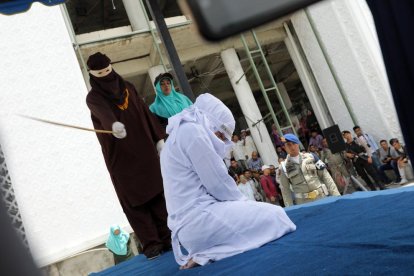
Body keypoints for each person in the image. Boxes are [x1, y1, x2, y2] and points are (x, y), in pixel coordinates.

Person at [160, 93, 296, 269]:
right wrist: (246, 204)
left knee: (262, 216)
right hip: (200, 221)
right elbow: (219, 185)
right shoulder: (193, 131)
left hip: (193, 227)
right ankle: (207, 252)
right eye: (221, 135)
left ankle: (207, 253)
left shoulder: (179, 134)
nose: (222, 142)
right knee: (277, 215)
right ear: (211, 123)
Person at [85, 52, 171, 259]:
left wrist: (158, 138)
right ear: (92, 75)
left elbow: (144, 112)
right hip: (121, 158)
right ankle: (151, 243)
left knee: (158, 193)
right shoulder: (94, 97)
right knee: (135, 201)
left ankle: (169, 236)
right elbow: (103, 112)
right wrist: (112, 125)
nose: (106, 76)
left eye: (108, 71)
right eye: (100, 74)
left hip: (145, 151)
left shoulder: (129, 87)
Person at [280, 134, 340, 207]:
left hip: (321, 198)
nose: (292, 147)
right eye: (289, 145)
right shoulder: (284, 167)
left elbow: (326, 177)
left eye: (294, 143)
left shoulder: (312, 157)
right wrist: (290, 210)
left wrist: (337, 196)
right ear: (284, 147)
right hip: (303, 204)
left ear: (298, 144)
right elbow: (285, 191)